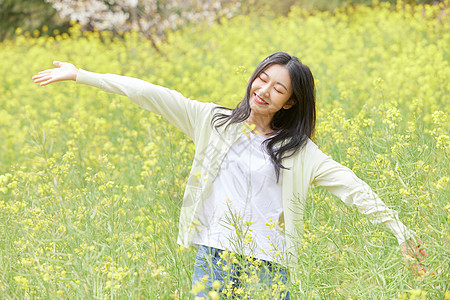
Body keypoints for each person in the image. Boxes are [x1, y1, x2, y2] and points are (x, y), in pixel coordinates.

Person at [32, 52, 426, 299]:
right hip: (215, 255)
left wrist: (400, 231)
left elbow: (353, 188)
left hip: (270, 266)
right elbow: (151, 93)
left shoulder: (301, 152)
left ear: (290, 102)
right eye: (263, 79)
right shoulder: (213, 121)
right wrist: (82, 74)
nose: (265, 90)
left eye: (278, 88)